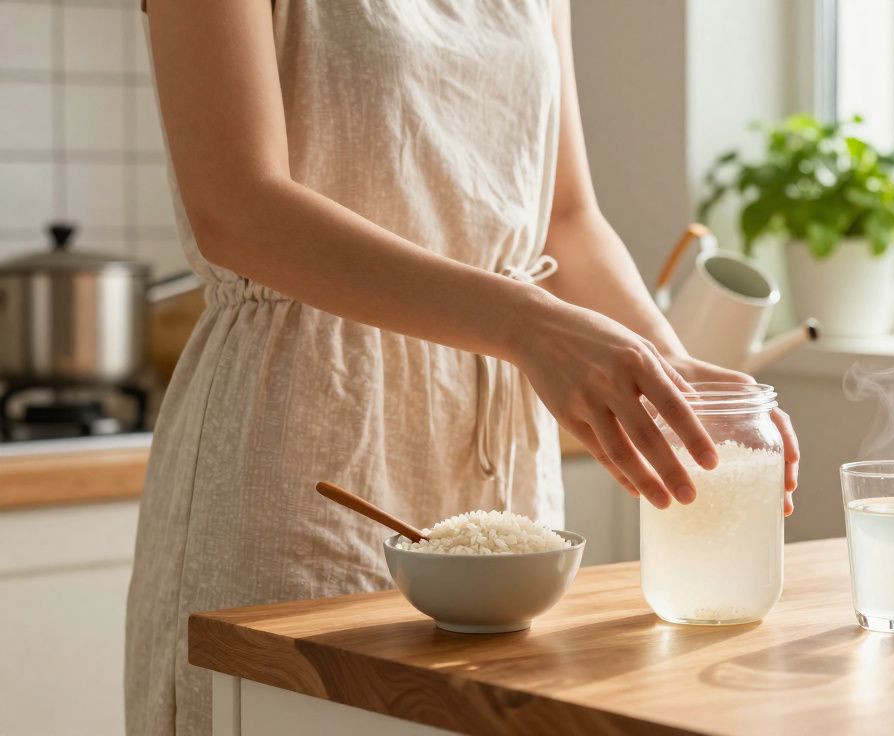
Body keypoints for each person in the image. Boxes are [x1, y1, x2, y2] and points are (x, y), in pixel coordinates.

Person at [125, 1, 800, 733]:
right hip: (300, 438)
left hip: (499, 463)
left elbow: (566, 218)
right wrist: (525, 323)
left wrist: (666, 371)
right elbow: (236, 206)